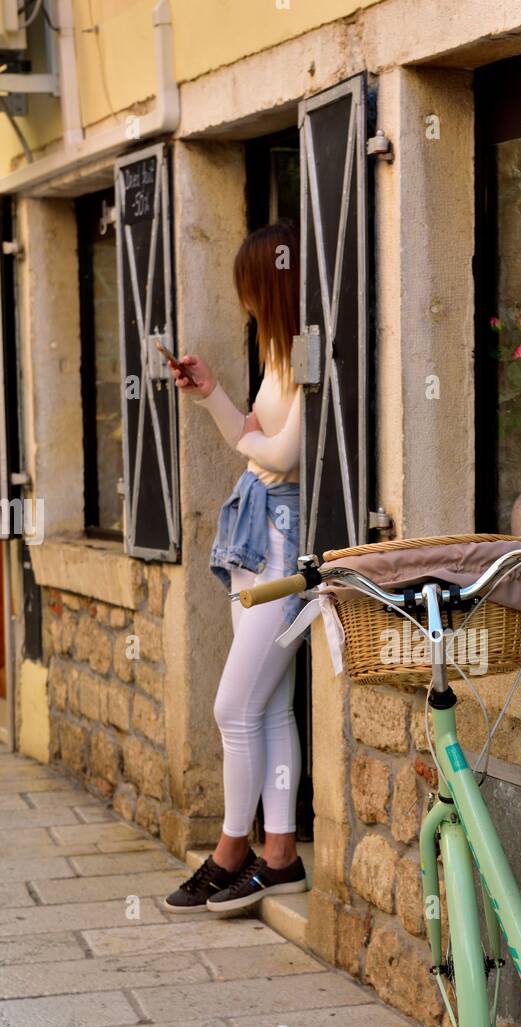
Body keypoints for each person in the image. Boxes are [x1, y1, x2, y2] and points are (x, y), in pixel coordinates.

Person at [164, 221, 308, 917]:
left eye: (247, 286)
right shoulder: (279, 355)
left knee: (232, 707)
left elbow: (282, 456)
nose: (242, 300)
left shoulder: (310, 350)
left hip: (286, 539)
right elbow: (249, 438)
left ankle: (230, 851)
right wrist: (213, 392)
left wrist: (254, 435)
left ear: (269, 283)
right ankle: (279, 856)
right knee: (270, 706)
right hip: (256, 534)